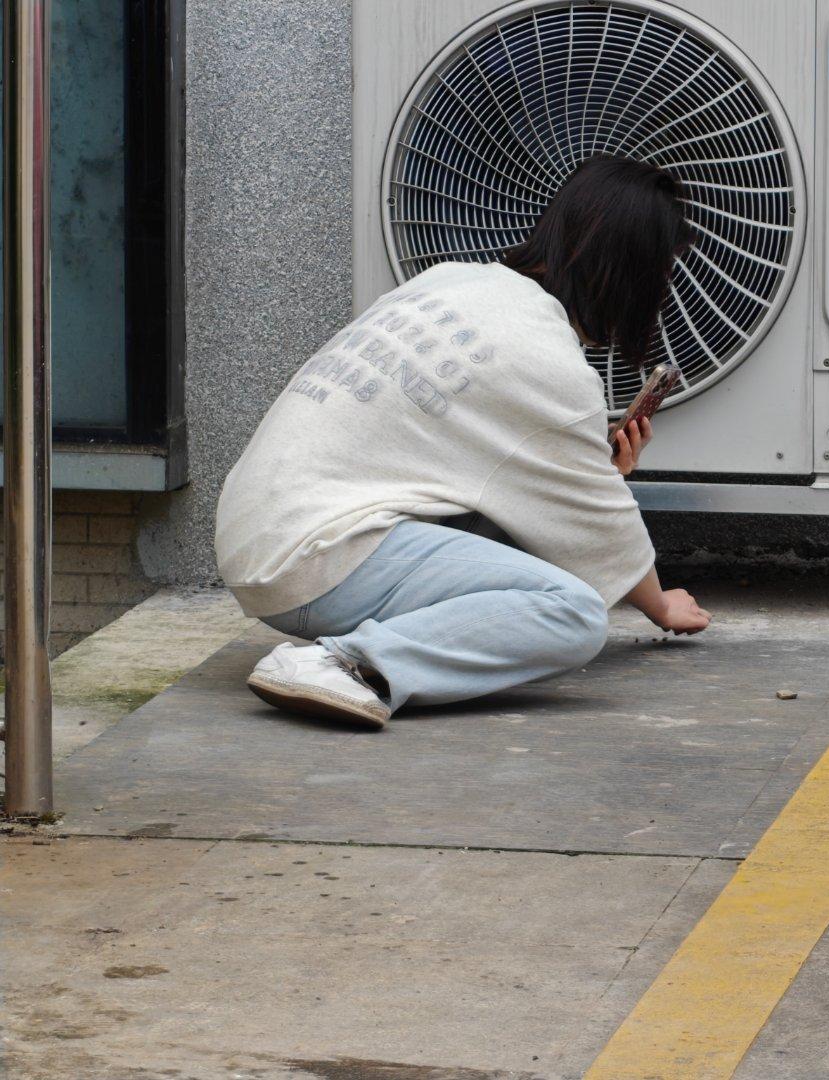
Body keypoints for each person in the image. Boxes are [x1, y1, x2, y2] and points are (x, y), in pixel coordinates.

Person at [214, 155, 711, 730]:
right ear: (632, 274)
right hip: (315, 561)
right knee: (572, 613)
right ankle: (345, 664)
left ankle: (348, 648)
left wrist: (593, 468)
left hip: (259, 533)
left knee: (524, 536)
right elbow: (605, 535)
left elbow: (526, 494)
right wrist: (660, 603)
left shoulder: (449, 279)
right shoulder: (548, 360)